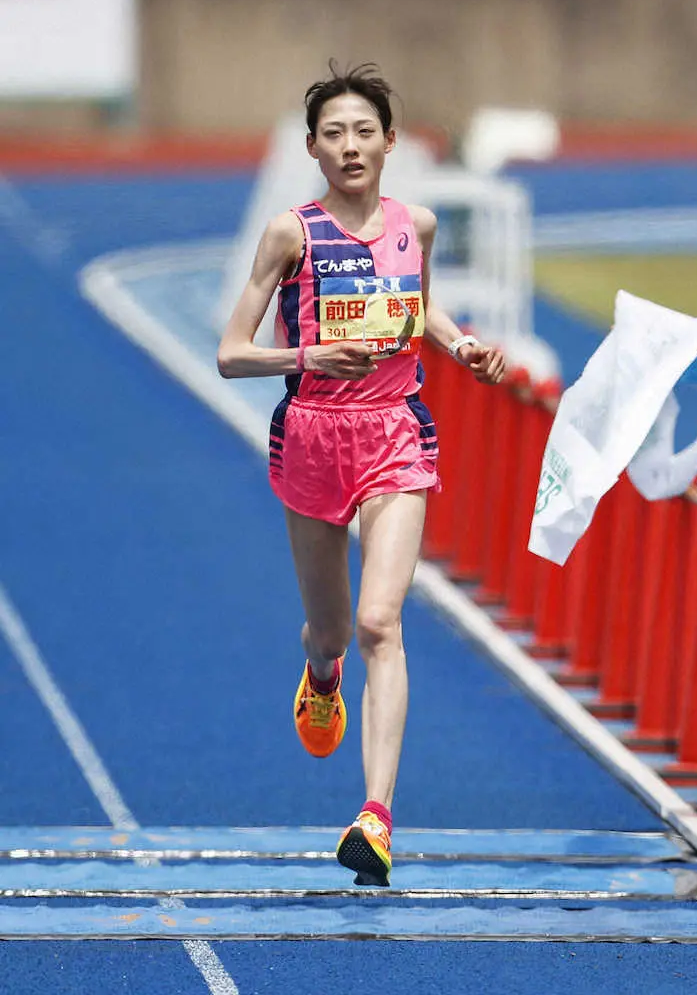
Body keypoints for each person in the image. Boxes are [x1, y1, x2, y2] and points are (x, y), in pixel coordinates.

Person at [217, 62, 505, 887]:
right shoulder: (291, 235)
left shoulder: (417, 222)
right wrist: (309, 354)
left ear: (389, 141)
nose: (350, 145)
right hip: (312, 437)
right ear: (312, 147)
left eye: (364, 131)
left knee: (384, 622)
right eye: (334, 133)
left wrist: (462, 346)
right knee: (336, 629)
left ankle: (375, 818)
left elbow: (419, 305)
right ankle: (320, 672)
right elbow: (232, 352)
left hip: (395, 439)